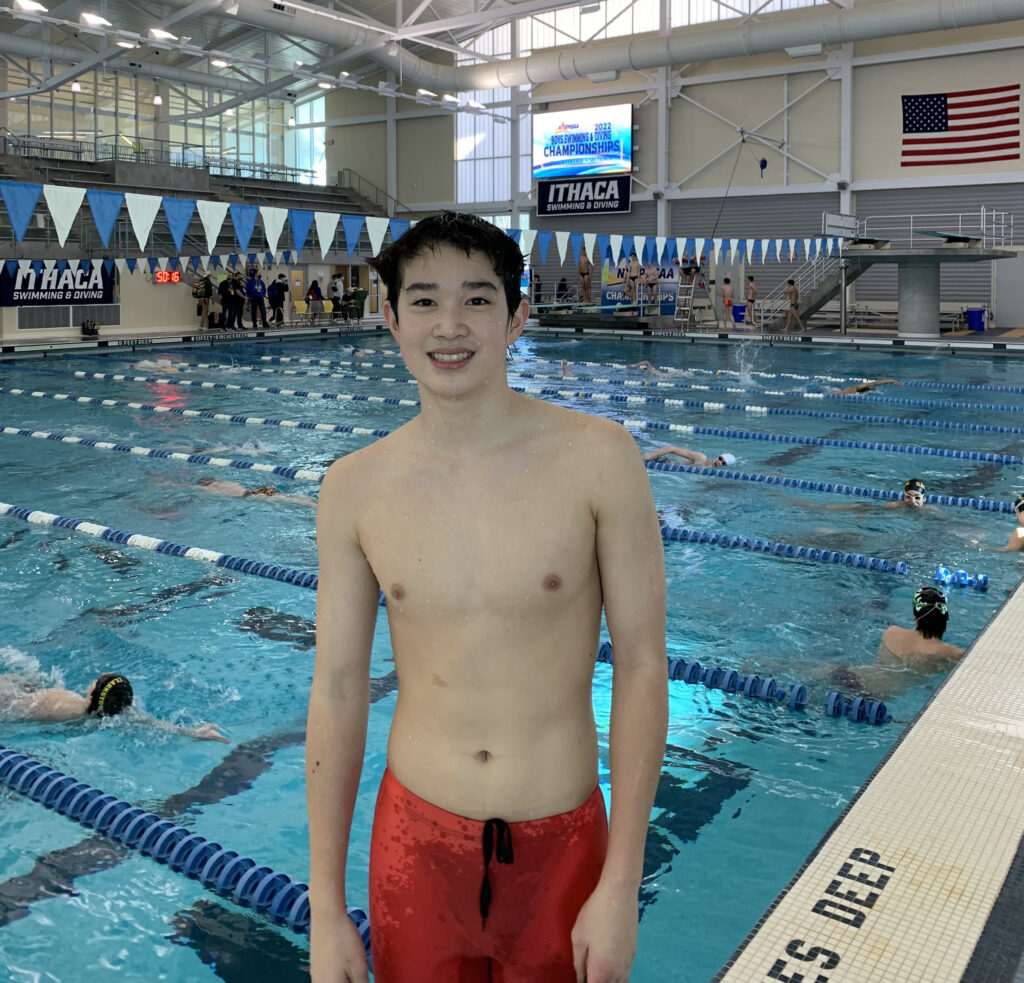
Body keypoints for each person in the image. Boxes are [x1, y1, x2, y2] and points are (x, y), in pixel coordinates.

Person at [306, 211, 667, 983]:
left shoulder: (600, 460)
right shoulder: (354, 488)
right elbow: (337, 690)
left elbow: (641, 666)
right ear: (390, 316)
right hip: (413, 847)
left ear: (516, 317)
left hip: (562, 848)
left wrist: (621, 882)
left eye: (477, 299)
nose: (450, 325)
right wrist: (326, 906)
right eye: (425, 299)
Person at [0, 671, 228, 741]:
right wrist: (191, 732)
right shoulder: (108, 715)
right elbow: (150, 723)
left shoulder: (66, 699)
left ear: (92, 693)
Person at [876, 586, 965, 671]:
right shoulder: (953, 654)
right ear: (947, 618)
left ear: (915, 619)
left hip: (864, 679)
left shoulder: (891, 632)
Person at [196, 476, 316, 507]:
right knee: (288, 497)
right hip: (256, 491)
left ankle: (314, 506)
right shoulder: (226, 482)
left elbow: (191, 488)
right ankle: (313, 501)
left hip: (251, 497)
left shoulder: (210, 488)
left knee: (288, 501)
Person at [642, 446, 736, 468]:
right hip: (664, 461)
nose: (720, 462)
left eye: (723, 463)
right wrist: (650, 455)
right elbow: (672, 449)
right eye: (720, 459)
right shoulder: (701, 458)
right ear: (717, 457)